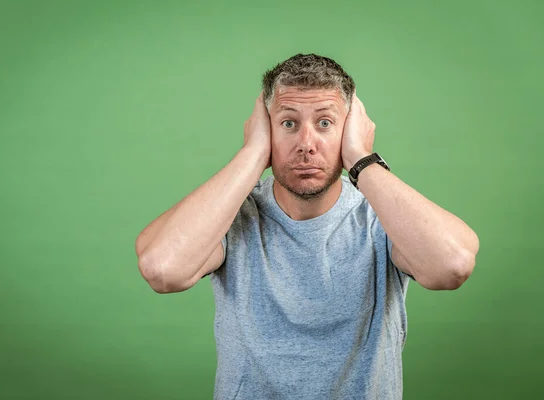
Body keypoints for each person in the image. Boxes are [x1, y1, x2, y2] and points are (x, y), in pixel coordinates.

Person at [134, 53, 480, 400]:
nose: (306, 144)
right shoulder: (231, 214)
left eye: (325, 123)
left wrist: (361, 159)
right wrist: (253, 154)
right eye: (288, 123)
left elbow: (452, 266)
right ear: (266, 129)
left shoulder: (384, 215)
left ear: (349, 128)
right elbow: (163, 269)